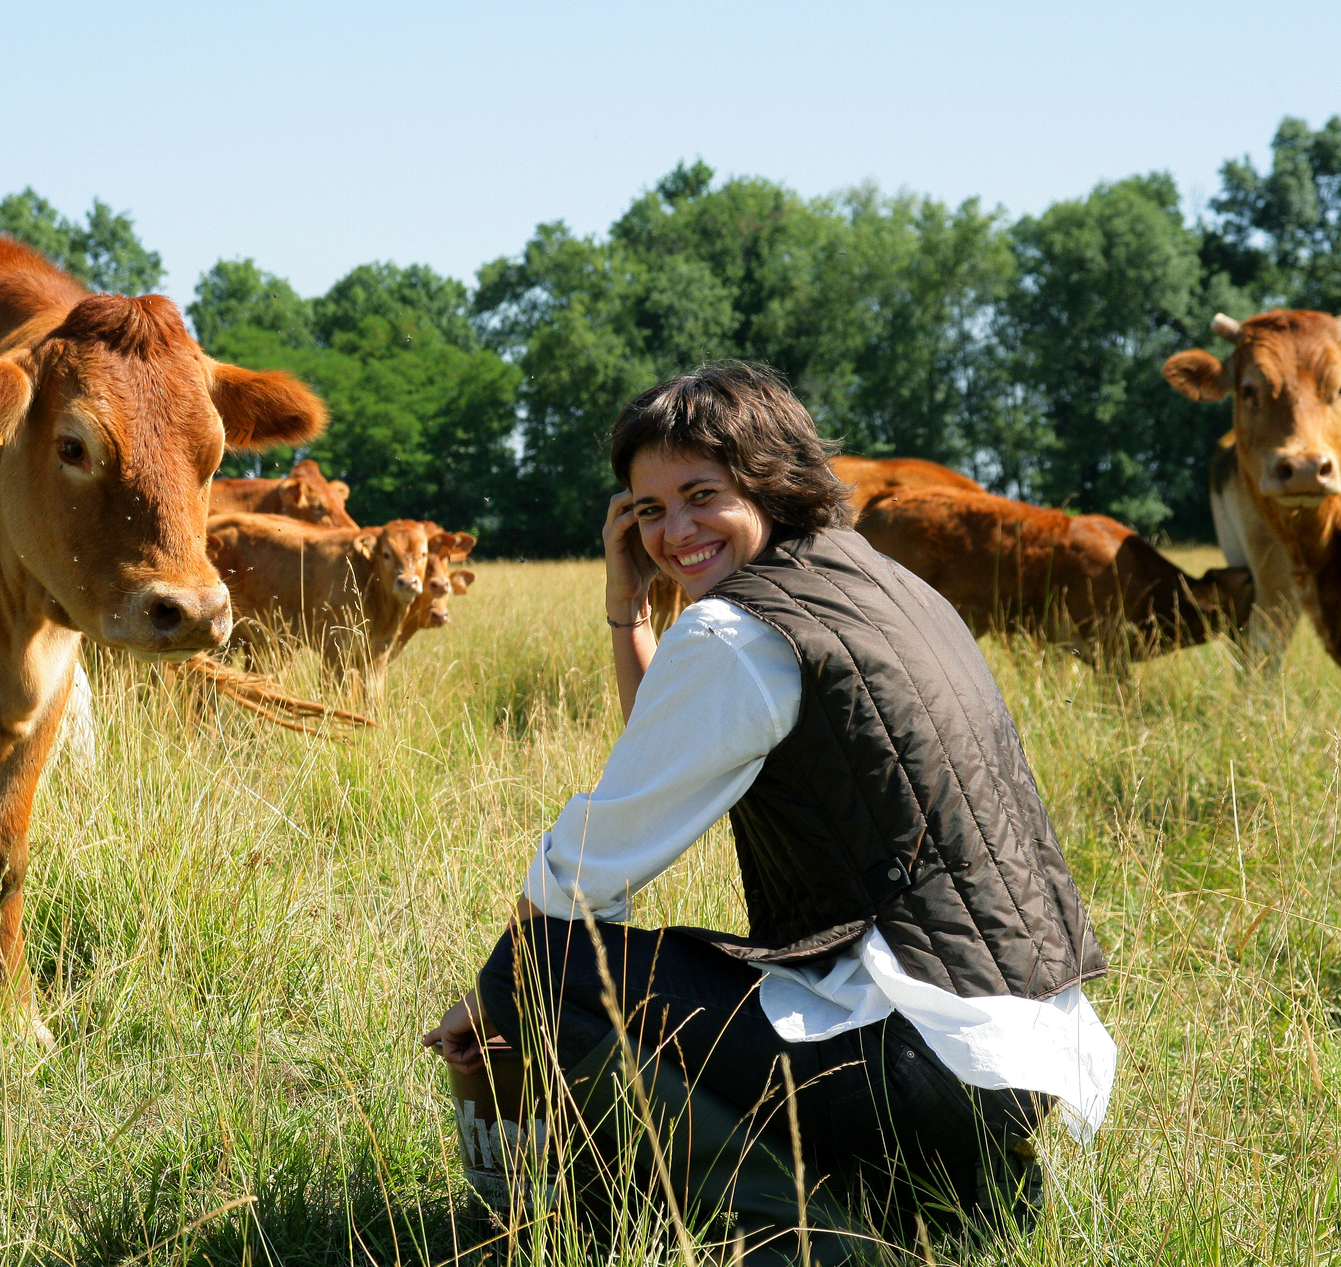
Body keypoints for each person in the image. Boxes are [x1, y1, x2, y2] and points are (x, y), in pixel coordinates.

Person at [423, 362, 1116, 1264]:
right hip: (1015, 1070)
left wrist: (494, 990)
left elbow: (587, 874)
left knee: (545, 966)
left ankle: (812, 1233)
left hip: (922, 1061)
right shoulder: (880, 582)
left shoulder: (740, 633)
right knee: (587, 967)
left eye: (701, 494)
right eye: (647, 509)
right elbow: (678, 749)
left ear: (770, 479)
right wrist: (629, 609)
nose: (674, 531)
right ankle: (949, 1201)